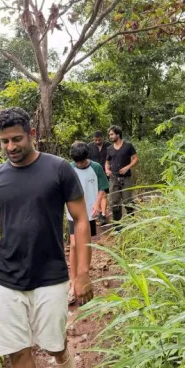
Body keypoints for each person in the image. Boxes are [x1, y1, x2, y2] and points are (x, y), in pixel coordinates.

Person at [0, 108, 94, 368]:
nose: (11, 147)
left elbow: (80, 219)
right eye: (4, 142)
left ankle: (61, 352)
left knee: (52, 342)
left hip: (50, 274)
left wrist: (82, 274)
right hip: (6, 277)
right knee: (17, 350)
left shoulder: (58, 169)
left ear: (32, 134)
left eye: (16, 139)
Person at [66, 141, 109, 305]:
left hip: (89, 214)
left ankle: (84, 277)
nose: (80, 164)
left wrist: (98, 203)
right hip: (73, 213)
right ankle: (73, 282)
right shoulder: (69, 168)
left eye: (82, 161)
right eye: (77, 162)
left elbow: (102, 188)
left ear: (87, 157)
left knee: (86, 244)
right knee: (74, 244)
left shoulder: (96, 167)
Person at [104, 125, 139, 227]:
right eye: (109, 134)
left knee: (128, 200)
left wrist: (127, 167)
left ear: (118, 134)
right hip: (114, 178)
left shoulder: (128, 146)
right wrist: (107, 169)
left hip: (126, 178)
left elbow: (136, 159)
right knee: (114, 202)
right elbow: (107, 162)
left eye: (112, 134)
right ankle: (117, 226)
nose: (110, 136)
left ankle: (132, 222)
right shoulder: (109, 148)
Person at [87, 131, 109, 226]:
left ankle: (103, 214)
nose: (97, 141)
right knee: (96, 194)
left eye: (99, 140)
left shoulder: (108, 145)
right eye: (95, 140)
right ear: (93, 139)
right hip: (92, 173)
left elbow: (110, 158)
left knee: (103, 193)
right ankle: (98, 212)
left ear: (102, 138)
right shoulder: (89, 147)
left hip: (105, 173)